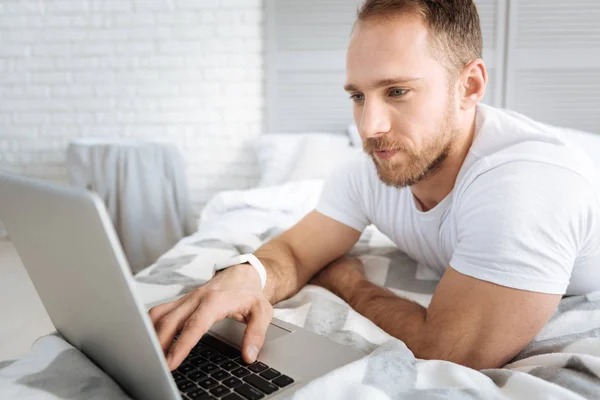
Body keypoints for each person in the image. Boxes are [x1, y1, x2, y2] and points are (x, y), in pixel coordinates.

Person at [149, 0, 600, 371]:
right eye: (358, 96)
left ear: (469, 86)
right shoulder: (373, 167)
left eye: (397, 92)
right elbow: (293, 252)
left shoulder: (530, 185)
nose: (370, 126)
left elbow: (449, 351)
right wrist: (244, 276)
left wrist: (349, 282)